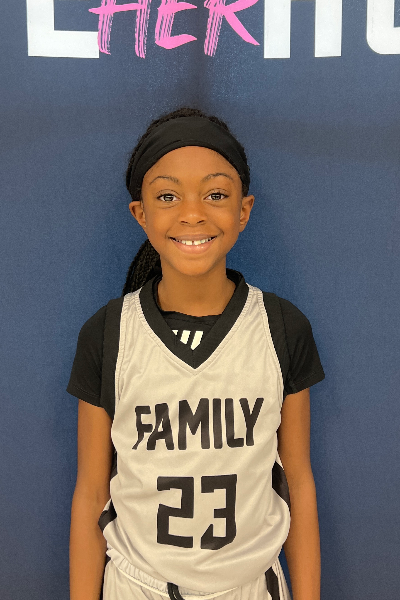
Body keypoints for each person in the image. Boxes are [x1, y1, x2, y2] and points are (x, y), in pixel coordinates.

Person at [67, 107, 325, 600]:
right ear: (140, 213)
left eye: (216, 195)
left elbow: (297, 481)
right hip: (138, 585)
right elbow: (92, 493)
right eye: (167, 196)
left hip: (248, 585)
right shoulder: (108, 334)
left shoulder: (280, 327)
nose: (192, 213)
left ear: (243, 210)